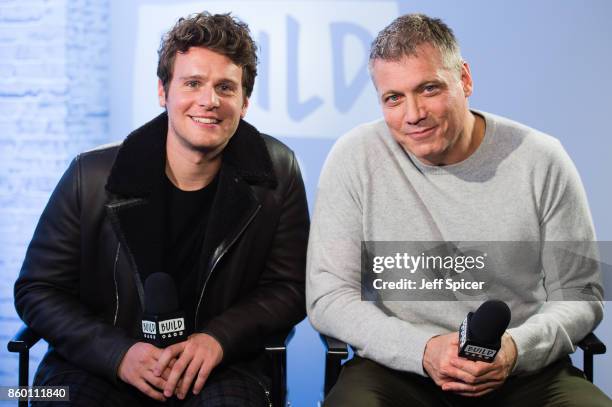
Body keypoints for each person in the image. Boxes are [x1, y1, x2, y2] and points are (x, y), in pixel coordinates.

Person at [306, 13, 610, 406]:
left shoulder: (542, 159)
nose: (413, 114)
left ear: (464, 79)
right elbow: (329, 297)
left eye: (429, 89)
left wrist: (515, 349)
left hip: (522, 369)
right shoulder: (354, 157)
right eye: (393, 98)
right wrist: (425, 349)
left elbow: (582, 293)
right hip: (399, 369)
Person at [15, 11, 309, 407]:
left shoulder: (279, 171)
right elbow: (38, 289)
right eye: (192, 83)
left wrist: (218, 339)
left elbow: (289, 288)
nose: (210, 100)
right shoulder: (91, 175)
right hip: (99, 363)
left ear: (244, 102)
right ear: (162, 91)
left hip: (221, 365)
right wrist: (117, 354)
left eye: (226, 87)